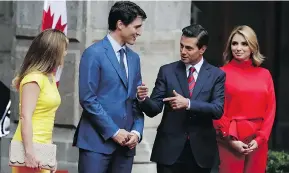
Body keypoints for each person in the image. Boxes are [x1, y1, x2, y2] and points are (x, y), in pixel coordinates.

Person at [137, 24, 226, 173]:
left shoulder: (216, 75)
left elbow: (217, 109)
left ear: (202, 49)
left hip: (201, 152)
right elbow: (154, 109)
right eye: (181, 46)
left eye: (189, 48)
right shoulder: (167, 71)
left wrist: (188, 103)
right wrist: (143, 99)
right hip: (169, 151)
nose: (183, 52)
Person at [72, 1, 147, 173]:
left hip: (126, 147)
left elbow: (136, 101)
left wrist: (136, 132)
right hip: (96, 145)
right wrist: (114, 132)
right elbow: (88, 99)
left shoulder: (134, 58)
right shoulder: (94, 53)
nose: (139, 32)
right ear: (120, 24)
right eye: (136, 27)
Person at [213, 25, 276, 173]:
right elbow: (217, 109)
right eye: (234, 43)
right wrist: (230, 139)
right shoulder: (221, 73)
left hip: (257, 141)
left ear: (252, 47)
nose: (238, 48)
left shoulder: (265, 74)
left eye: (244, 43)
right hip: (230, 140)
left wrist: (260, 139)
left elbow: (270, 110)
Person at [10, 29, 69, 173]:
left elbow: (47, 118)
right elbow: (25, 116)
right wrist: (29, 152)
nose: (65, 53)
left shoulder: (49, 77)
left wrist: (50, 155)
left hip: (43, 147)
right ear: (53, 51)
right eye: (64, 49)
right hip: (30, 148)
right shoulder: (33, 79)